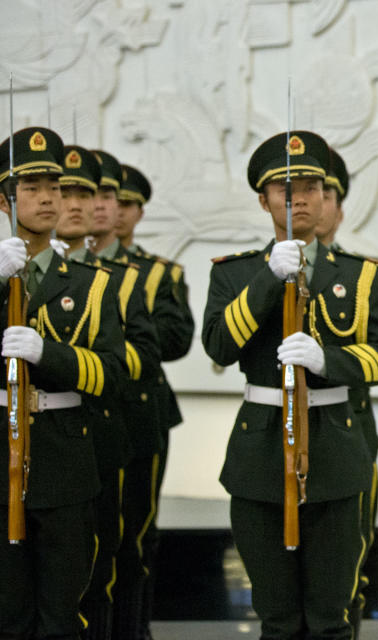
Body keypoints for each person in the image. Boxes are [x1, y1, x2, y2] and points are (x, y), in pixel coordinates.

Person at [202, 130, 378, 640]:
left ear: (325, 195)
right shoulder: (236, 274)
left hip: (336, 450)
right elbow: (219, 346)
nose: (297, 196)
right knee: (276, 617)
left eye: (310, 186)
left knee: (329, 618)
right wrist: (267, 281)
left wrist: (330, 360)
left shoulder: (362, 276)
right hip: (259, 451)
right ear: (263, 199)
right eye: (282, 188)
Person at [0, 127, 126, 639]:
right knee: (6, 617)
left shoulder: (93, 283)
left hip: (63, 461)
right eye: (32, 187)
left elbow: (112, 374)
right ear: (5, 199)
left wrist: (47, 354)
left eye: (54, 184)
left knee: (62, 617)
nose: (49, 197)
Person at [57, 144, 161, 640]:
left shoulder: (120, 280)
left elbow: (142, 353)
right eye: (65, 191)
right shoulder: (12, 273)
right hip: (31, 439)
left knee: (102, 565)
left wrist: (84, 368)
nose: (79, 204)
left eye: (88, 192)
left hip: (97, 430)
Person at [113, 161, 193, 639]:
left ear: (140, 212)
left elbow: (175, 338)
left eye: (124, 202)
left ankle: (134, 628)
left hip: (143, 412)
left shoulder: (158, 274)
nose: (111, 210)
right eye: (104, 199)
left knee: (136, 536)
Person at [321, 148, 378, 637]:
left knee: (348, 568)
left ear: (340, 208)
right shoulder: (259, 270)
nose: (311, 203)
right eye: (300, 192)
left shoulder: (362, 274)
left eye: (324, 193)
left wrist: (331, 363)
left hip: (352, 430)